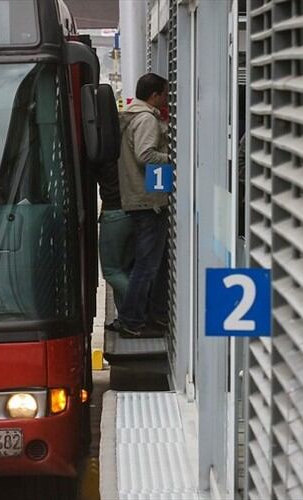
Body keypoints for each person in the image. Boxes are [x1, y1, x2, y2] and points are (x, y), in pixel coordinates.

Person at [113, 73, 172, 338]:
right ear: (155, 95)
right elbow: (145, 154)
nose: (167, 98)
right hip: (148, 201)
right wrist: (174, 157)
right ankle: (131, 320)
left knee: (151, 264)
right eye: (164, 93)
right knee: (147, 266)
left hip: (141, 198)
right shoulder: (146, 118)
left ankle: (153, 316)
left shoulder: (132, 116)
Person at [95, 158, 134, 313]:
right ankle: (125, 316)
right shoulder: (124, 146)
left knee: (112, 270)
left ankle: (139, 305)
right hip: (131, 210)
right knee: (123, 269)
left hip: (113, 212)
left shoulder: (106, 152)